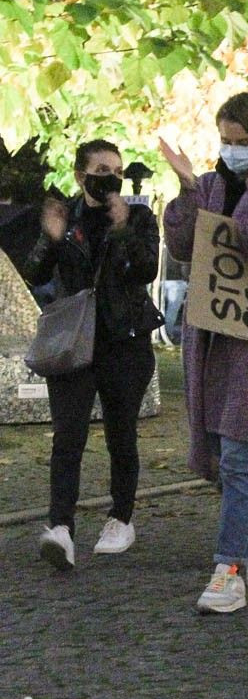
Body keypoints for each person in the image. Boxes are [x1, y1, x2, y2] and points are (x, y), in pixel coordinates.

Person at [160, 93, 248, 612]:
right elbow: (181, 245)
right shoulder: (210, 182)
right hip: (211, 340)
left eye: (243, 143)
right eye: (226, 141)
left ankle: (229, 571)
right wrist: (183, 189)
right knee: (217, 460)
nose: (233, 150)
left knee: (242, 456)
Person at [24, 140, 161, 570]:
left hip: (125, 341)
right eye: (102, 169)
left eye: (117, 170)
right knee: (68, 436)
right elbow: (36, 273)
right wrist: (50, 240)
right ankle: (60, 527)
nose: (112, 177)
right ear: (81, 175)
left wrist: (123, 228)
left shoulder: (137, 215)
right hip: (75, 343)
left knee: (122, 434)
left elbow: (147, 270)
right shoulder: (64, 215)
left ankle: (121, 517)